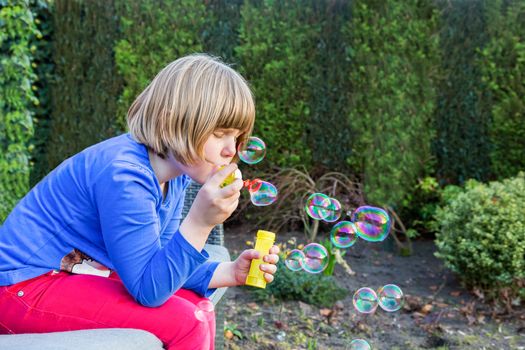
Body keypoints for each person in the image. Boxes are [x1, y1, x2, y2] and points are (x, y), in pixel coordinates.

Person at [0, 53, 280, 350]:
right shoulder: (125, 175)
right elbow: (150, 290)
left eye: (236, 138)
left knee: (196, 304)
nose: (230, 151)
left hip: (66, 276)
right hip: (20, 288)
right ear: (173, 121)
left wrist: (229, 272)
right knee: (187, 322)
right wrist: (200, 221)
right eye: (220, 134)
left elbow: (163, 259)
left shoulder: (176, 176)